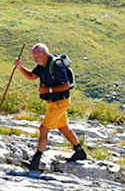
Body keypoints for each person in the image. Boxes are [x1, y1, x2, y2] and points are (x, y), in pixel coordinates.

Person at [12, 43, 87, 171]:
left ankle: (35, 162)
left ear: (44, 54)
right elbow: (32, 76)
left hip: (60, 102)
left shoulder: (56, 65)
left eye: (36, 57)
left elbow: (66, 85)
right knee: (63, 127)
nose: (34, 60)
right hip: (52, 103)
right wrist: (20, 67)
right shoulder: (42, 65)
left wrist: (48, 89)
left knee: (43, 129)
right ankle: (80, 152)